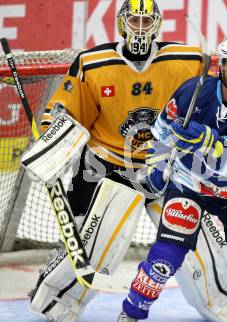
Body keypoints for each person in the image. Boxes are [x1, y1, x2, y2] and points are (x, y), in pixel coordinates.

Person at [28, 1, 204, 321]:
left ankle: (223, 299)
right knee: (96, 246)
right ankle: (57, 299)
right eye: (134, 20)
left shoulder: (188, 60)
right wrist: (51, 136)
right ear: (122, 24)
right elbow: (65, 110)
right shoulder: (93, 63)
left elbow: (213, 96)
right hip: (108, 167)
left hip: (165, 166)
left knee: (199, 242)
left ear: (157, 24)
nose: (140, 27)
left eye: (146, 20)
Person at [117, 34, 227, 322]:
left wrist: (208, 142)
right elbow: (162, 131)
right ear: (221, 65)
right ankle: (130, 315)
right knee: (166, 256)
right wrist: (158, 162)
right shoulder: (192, 91)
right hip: (189, 183)